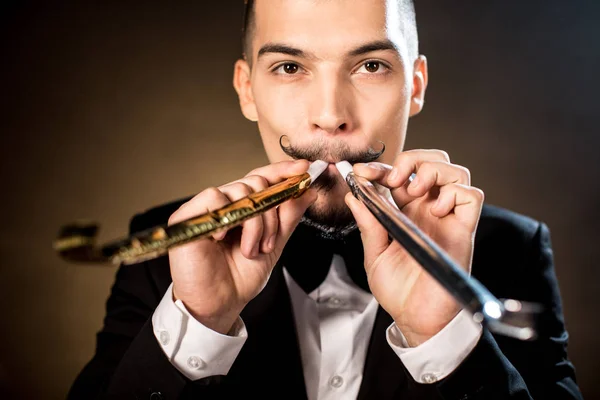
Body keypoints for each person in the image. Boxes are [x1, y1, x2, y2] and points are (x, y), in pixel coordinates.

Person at [68, 0, 582, 399]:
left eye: (372, 66)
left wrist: (441, 334)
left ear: (415, 85)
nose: (331, 115)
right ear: (247, 90)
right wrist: (198, 322)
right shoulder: (170, 255)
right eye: (290, 68)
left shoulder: (514, 250)